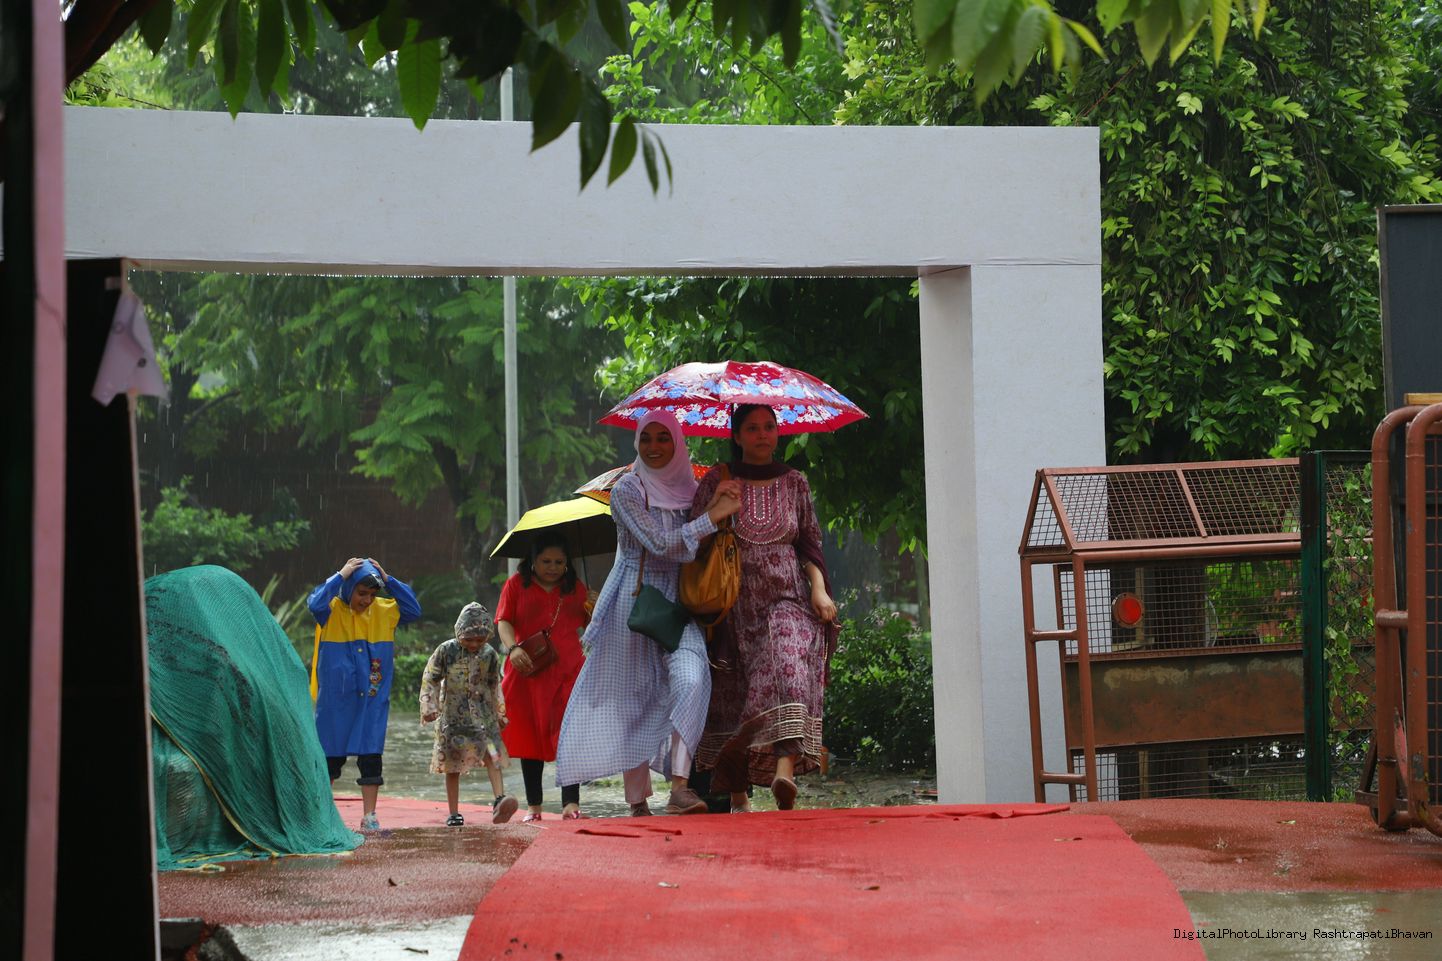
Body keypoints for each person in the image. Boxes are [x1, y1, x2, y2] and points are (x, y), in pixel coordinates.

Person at [555, 409, 742, 815]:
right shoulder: (627, 490)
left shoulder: (693, 490)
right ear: (636, 442)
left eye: (663, 438)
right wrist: (711, 518)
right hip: (634, 599)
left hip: (682, 602)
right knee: (633, 698)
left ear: (678, 442)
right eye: (646, 438)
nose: (654, 446)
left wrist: (719, 503)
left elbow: (704, 543)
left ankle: (680, 785)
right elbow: (659, 544)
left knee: (692, 679)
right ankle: (637, 802)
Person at [691, 404, 839, 811]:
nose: (762, 435)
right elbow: (692, 541)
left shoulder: (795, 482)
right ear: (736, 436)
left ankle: (783, 771)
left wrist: (819, 590)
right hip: (732, 605)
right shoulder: (718, 479)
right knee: (735, 691)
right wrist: (716, 510)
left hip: (788, 597)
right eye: (753, 428)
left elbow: (809, 544)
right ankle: (738, 795)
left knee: (789, 666)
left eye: (769, 427)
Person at [308, 556, 422, 832]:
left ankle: (369, 815)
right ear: (348, 588)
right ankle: (323, 814)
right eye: (361, 593)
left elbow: (413, 609)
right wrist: (340, 575)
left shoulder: (385, 611)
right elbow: (314, 603)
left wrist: (388, 580)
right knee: (328, 759)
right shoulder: (331, 610)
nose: (367, 600)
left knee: (371, 759)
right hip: (336, 703)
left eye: (372, 594)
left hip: (372, 702)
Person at [496, 534, 595, 822]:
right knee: (530, 736)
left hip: (568, 671)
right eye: (546, 561)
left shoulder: (576, 588)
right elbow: (503, 621)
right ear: (533, 561)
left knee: (570, 735)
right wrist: (512, 648)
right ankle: (534, 807)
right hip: (528, 671)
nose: (553, 567)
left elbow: (591, 626)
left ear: (567, 564)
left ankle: (571, 805)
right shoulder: (516, 585)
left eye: (559, 562)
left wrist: (595, 606)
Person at [419, 602, 519, 826]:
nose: (474, 644)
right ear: (459, 632)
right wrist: (429, 707)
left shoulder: (489, 654)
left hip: (485, 719)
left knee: (493, 756)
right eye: (469, 639)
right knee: (452, 765)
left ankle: (499, 799)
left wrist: (500, 712)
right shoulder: (446, 650)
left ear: (487, 637)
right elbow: (430, 677)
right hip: (453, 719)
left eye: (479, 640)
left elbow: (494, 685)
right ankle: (454, 812)